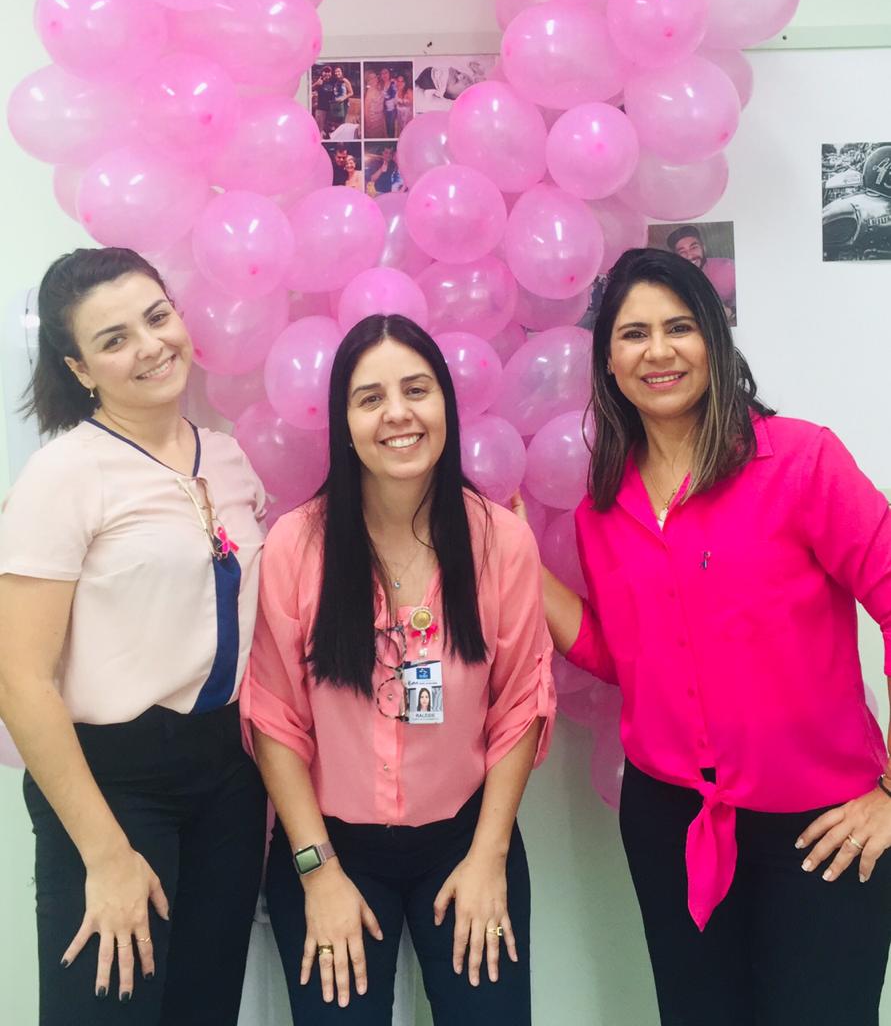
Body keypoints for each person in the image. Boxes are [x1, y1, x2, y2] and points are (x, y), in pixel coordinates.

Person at [526, 247, 891, 1026]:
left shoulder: (800, 461)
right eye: (633, 334)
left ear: (713, 341)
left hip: (822, 828)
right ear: (607, 362)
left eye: (679, 327)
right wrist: (519, 564)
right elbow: (624, 659)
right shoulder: (602, 509)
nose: (657, 351)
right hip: (670, 825)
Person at [242, 313, 554, 1025]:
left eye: (416, 390)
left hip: (468, 841)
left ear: (445, 403)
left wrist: (488, 858)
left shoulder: (500, 541)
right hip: (329, 848)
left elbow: (520, 706)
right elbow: (274, 717)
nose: (398, 414)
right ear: (344, 424)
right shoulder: (296, 544)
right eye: (370, 398)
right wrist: (318, 874)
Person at [0, 248, 268, 1026]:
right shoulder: (64, 475)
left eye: (157, 318)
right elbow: (18, 678)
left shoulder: (226, 456)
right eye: (114, 339)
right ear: (79, 369)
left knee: (202, 1009)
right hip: (113, 785)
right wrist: (106, 852)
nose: (150, 346)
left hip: (227, 775)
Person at [665, 224, 736, 320]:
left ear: (703, 248)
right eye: (682, 252)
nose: (689, 256)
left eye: (694, 248)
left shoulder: (728, 268)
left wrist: (731, 312)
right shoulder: (671, 281)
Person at [313, 64, 336, 138]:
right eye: (325, 71)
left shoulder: (333, 82)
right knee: (319, 130)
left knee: (330, 130)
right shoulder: (319, 81)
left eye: (329, 72)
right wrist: (316, 84)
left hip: (331, 110)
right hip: (321, 109)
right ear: (322, 73)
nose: (327, 73)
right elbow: (308, 90)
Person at [363, 70, 386, 140]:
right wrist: (368, 124)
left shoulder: (378, 88)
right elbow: (366, 110)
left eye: (375, 77)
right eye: (371, 78)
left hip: (380, 118)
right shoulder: (370, 92)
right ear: (368, 81)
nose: (374, 79)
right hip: (372, 120)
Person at [379, 68, 398, 139]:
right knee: (385, 127)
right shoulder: (380, 84)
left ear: (389, 74)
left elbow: (395, 95)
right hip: (382, 109)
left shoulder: (393, 83)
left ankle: (391, 140)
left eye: (386, 72)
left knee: (391, 126)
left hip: (392, 109)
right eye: (382, 73)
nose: (384, 75)